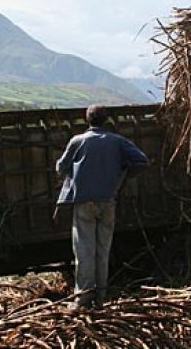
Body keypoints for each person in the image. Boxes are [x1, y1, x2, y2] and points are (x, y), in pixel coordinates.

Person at [56, 105, 149, 310]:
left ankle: (83, 298)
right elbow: (141, 161)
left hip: (83, 203)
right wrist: (123, 175)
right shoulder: (118, 142)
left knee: (84, 250)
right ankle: (101, 297)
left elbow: (61, 167)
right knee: (102, 250)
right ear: (106, 120)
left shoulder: (77, 141)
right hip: (108, 200)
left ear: (87, 120)